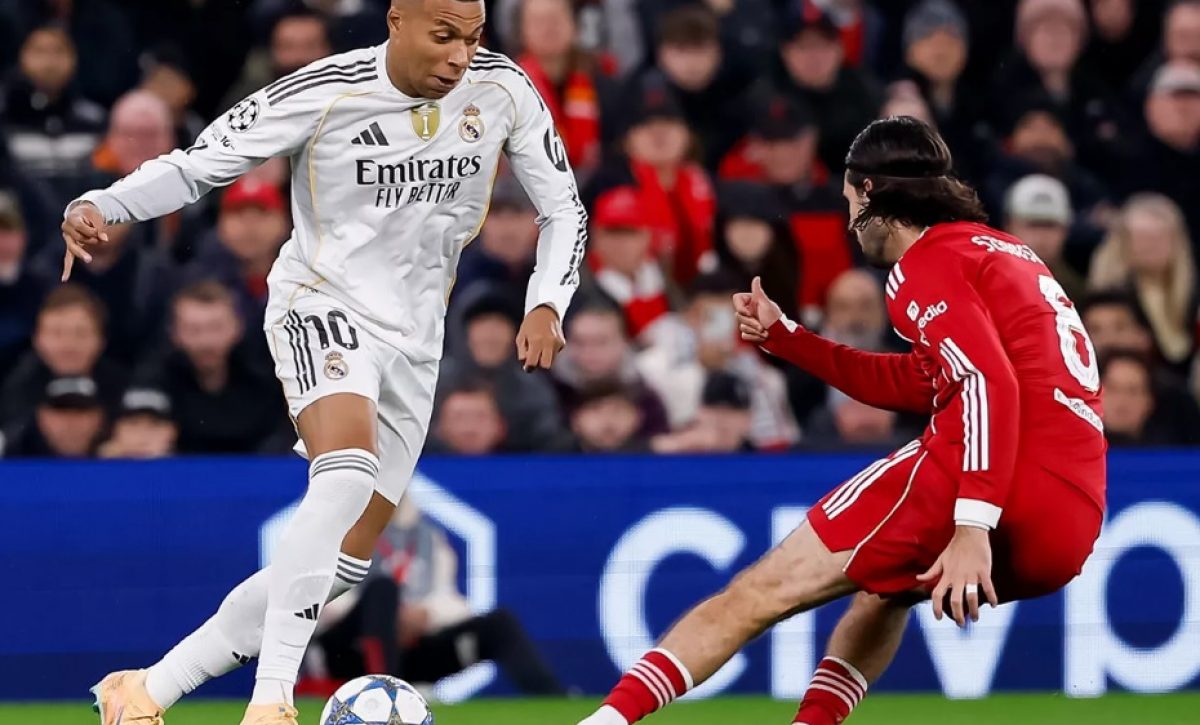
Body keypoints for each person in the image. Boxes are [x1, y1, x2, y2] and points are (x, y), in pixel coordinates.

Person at [66, 2, 586, 724]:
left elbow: (563, 206)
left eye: (473, 38)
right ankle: (271, 701)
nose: (461, 56)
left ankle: (148, 690)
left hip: (417, 337)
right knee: (344, 472)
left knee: (341, 567)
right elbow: (198, 165)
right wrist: (107, 202)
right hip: (320, 301)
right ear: (397, 21)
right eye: (444, 37)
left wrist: (547, 301)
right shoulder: (320, 90)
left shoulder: (503, 88)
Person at [578, 117, 1107, 725]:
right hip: (1073, 512)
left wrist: (972, 526)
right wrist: (790, 339)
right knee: (885, 590)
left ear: (872, 194)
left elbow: (986, 383)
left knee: (758, 593)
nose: (849, 221)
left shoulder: (923, 264)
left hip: (992, 472)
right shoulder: (1006, 252)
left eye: (849, 199)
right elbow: (923, 380)